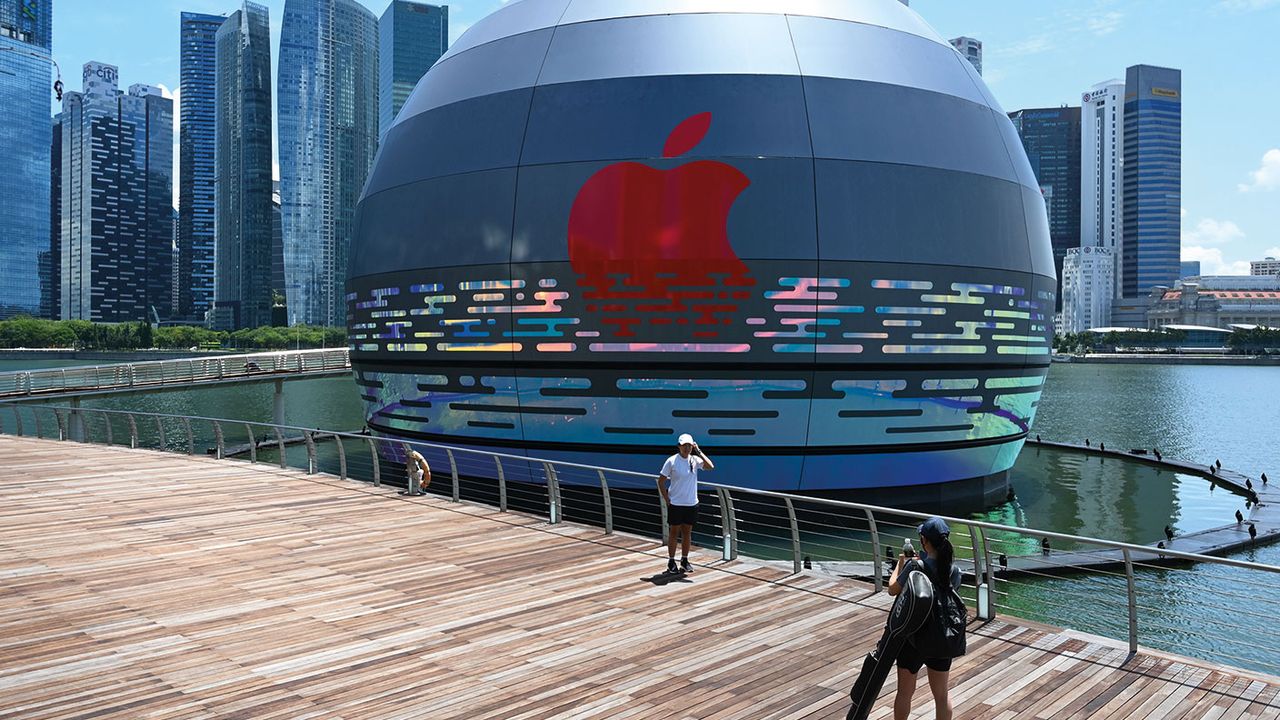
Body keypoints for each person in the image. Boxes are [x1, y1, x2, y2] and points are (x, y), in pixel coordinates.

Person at [886, 517, 961, 720]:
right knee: (942, 695)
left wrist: (901, 563)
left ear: (923, 540)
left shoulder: (915, 567)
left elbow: (893, 589)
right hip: (941, 636)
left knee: (905, 692)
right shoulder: (954, 571)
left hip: (913, 637)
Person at [657, 433, 714, 574]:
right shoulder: (671, 461)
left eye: (689, 445)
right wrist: (666, 498)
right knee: (674, 532)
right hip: (676, 503)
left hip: (691, 503)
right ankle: (671, 560)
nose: (687, 448)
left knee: (687, 532)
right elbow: (661, 481)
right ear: (679, 446)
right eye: (684, 446)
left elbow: (710, 466)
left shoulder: (694, 460)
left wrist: (699, 451)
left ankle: (684, 560)